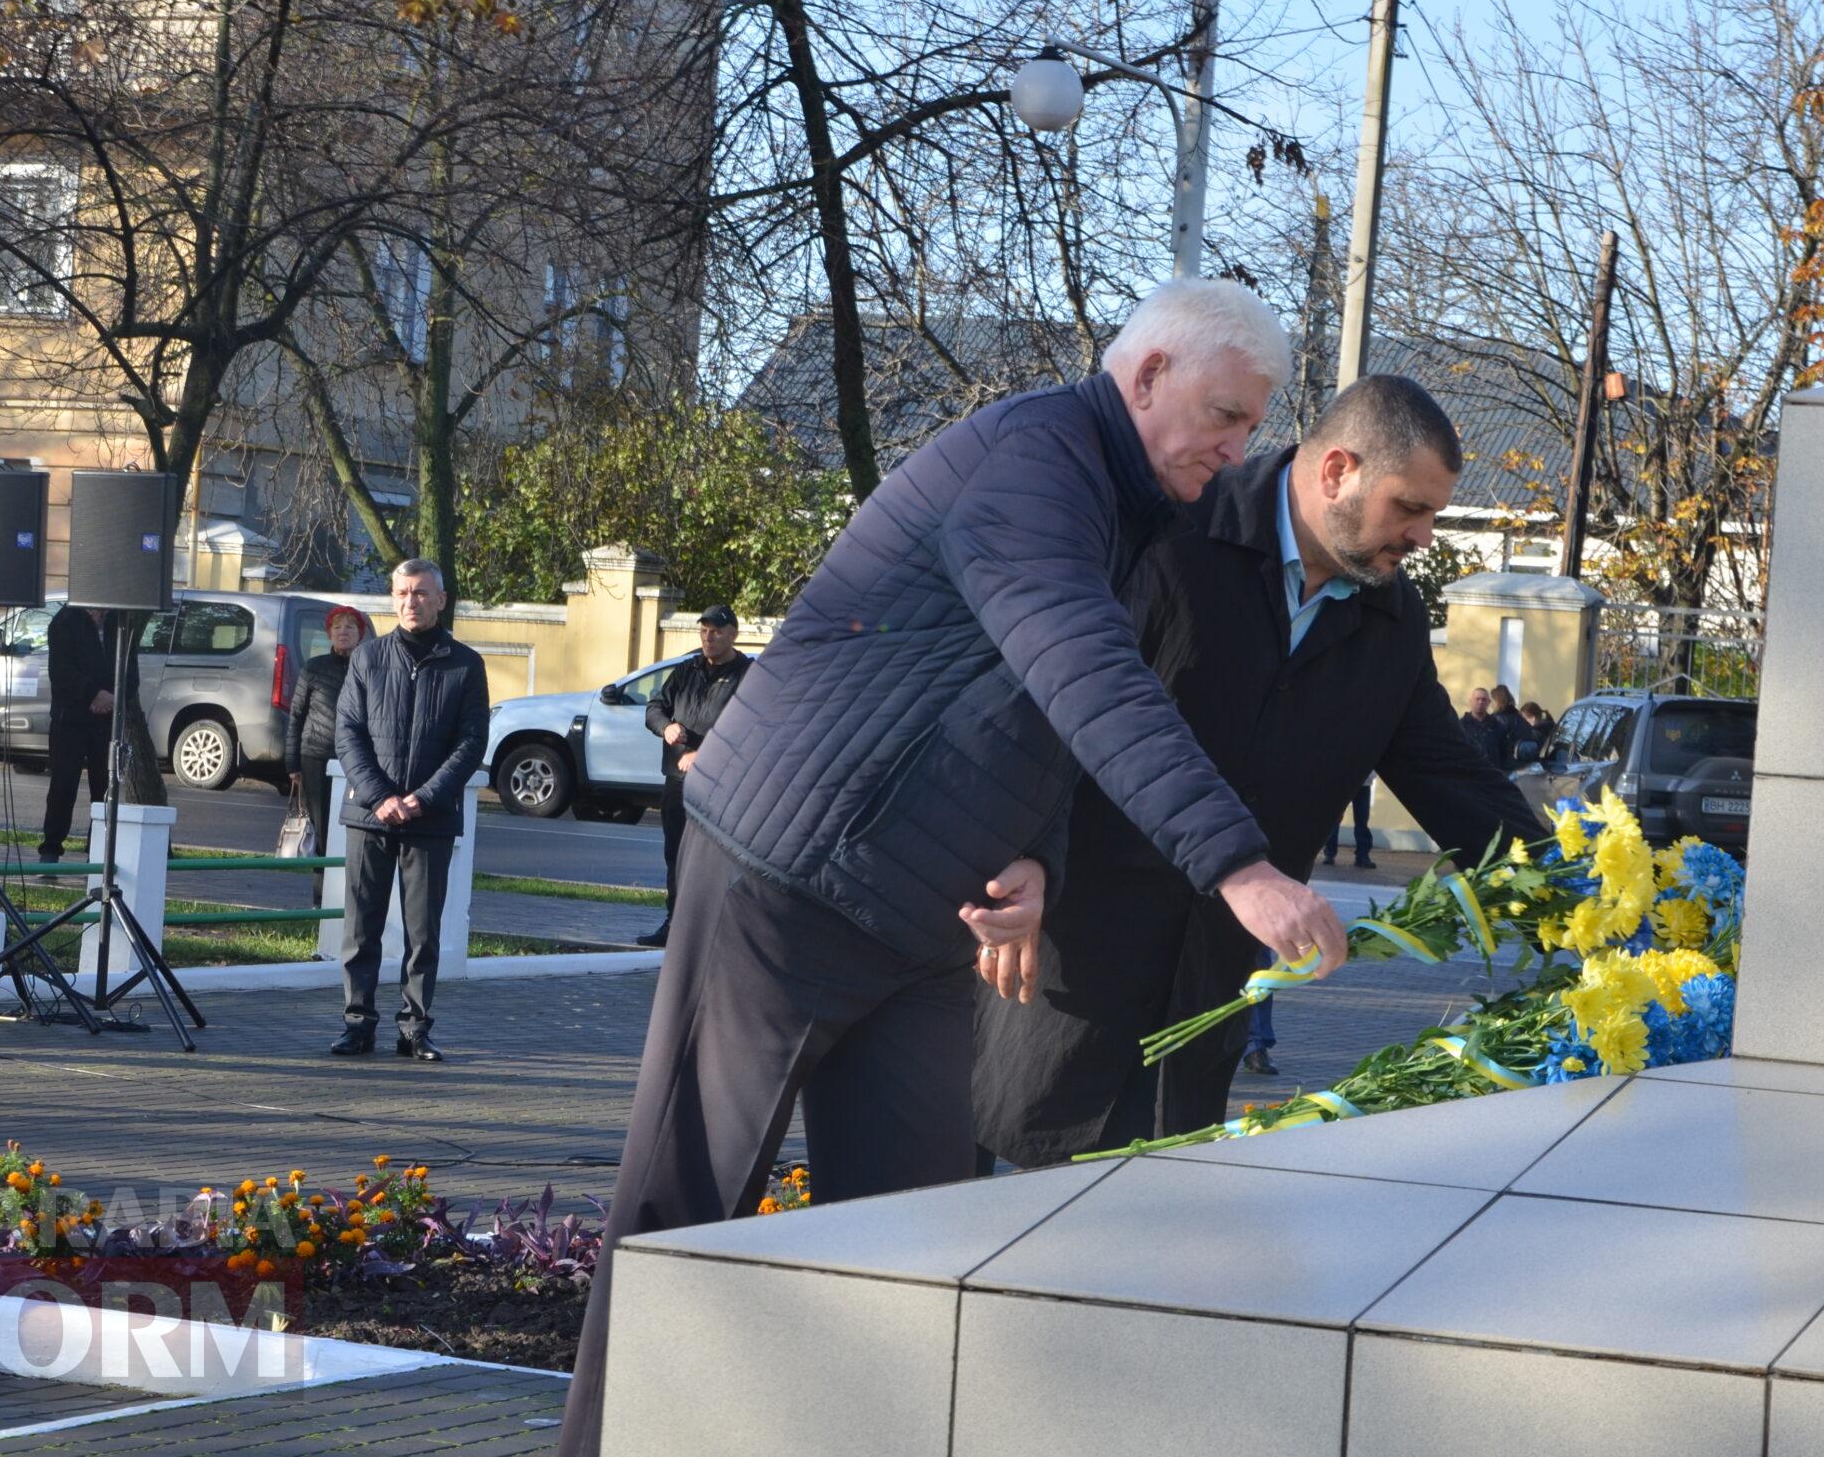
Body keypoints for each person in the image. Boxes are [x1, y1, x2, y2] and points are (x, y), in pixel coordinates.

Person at [559, 278, 1351, 1457]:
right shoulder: (1033, 461)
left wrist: (1038, 852)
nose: (1240, 448)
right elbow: (1081, 664)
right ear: (1146, 378)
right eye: (1228, 416)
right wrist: (1239, 866)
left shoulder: (1131, 509)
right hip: (781, 880)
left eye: (1252, 426)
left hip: (925, 918)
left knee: (906, 1248)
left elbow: (1031, 715)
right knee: (682, 1209)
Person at [972, 376, 1546, 1167]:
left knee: (1161, 1223)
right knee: (994, 1208)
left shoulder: (1391, 617)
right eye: (1409, 509)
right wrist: (1018, 852)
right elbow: (1046, 705)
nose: (1424, 537)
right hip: (1063, 959)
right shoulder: (1171, 533)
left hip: (1211, 989)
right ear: (1337, 470)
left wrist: (1569, 882)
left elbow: (1448, 774)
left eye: (1435, 516)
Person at [328, 560, 488, 1064]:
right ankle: (358, 1025)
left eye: (420, 593)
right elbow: (347, 733)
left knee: (422, 932)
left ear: (441, 599)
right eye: (401, 593)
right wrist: (381, 797)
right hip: (370, 816)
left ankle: (415, 1029)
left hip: (430, 819)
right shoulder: (368, 658)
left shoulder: (465, 664)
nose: (409, 602)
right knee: (360, 929)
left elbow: (471, 742)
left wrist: (424, 797)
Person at [636, 604, 754, 949]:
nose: (708, 637)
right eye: (703, 630)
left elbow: (748, 728)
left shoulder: (746, 676)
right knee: (676, 854)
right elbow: (654, 707)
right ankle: (675, 926)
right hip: (677, 782)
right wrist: (667, 727)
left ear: (733, 633)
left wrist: (705, 755)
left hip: (721, 787)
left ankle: (715, 932)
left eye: (715, 631)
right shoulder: (687, 670)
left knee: (714, 860)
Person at [284, 604, 371, 907]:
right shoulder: (313, 668)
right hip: (316, 757)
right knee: (322, 831)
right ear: (329, 634)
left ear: (361, 634)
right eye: (337, 627)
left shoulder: (369, 667)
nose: (343, 632)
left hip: (356, 761)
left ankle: (350, 898)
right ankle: (321, 901)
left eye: (349, 627)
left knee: (353, 829)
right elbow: (296, 716)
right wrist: (292, 763)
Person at [36, 601, 116, 863]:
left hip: (107, 719)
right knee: (63, 784)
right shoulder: (65, 621)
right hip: (70, 717)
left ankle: (100, 850)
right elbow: (61, 672)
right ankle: (51, 848)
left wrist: (113, 698)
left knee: (105, 787)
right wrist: (93, 694)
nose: (100, 611)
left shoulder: (118, 621)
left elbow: (129, 667)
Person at [1320, 775, 1377, 870]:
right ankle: (1329, 854)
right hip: (1343, 782)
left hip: (1363, 784)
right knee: (1335, 819)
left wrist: (1370, 776)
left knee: (1362, 820)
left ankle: (1362, 857)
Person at [1490, 682, 1540, 769]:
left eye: (1492, 700)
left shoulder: (1496, 720)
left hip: (1502, 766)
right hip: (1520, 766)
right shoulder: (1520, 718)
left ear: (1498, 701)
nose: (1490, 704)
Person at [1460, 686, 1509, 769]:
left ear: (1488, 702)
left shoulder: (1498, 726)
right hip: (1467, 774)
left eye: (1483, 699)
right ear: (1471, 701)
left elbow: (1504, 753)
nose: (1480, 702)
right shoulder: (1461, 726)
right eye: (1477, 699)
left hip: (1492, 774)